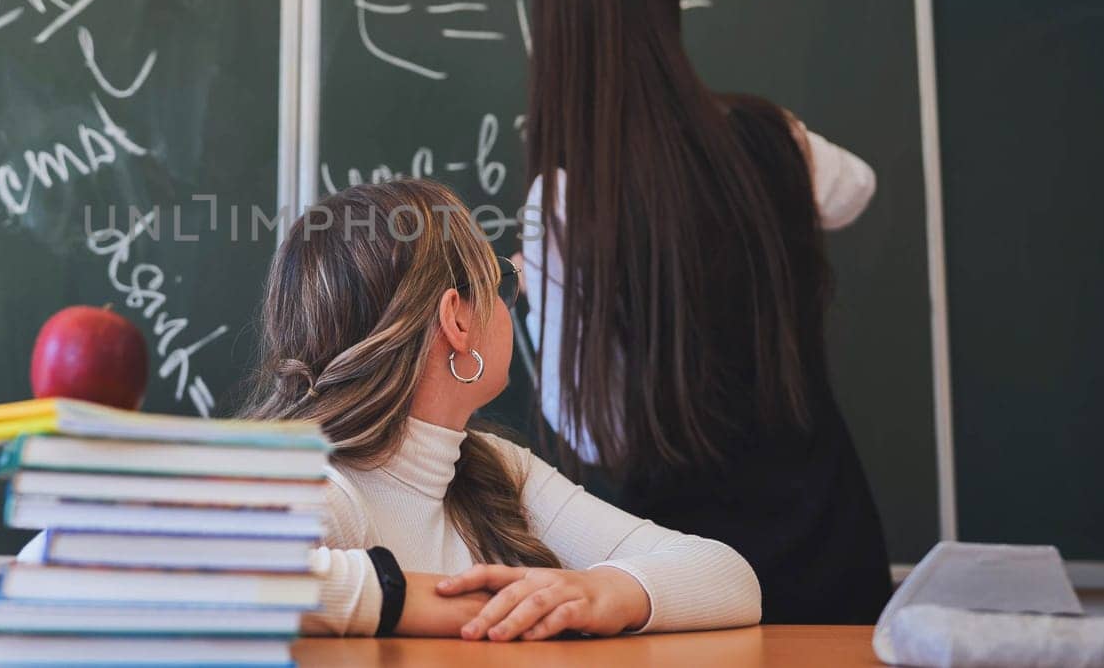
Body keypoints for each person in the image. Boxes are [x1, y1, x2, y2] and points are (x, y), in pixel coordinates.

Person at [520, 0, 891, 624]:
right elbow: (859, 188)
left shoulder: (567, 199)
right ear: (667, 15)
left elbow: (594, 431)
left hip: (687, 574)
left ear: (555, 38)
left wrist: (540, 299)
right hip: (830, 538)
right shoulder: (771, 136)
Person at [240, 178, 760, 639]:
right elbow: (200, 577)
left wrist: (607, 592)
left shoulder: (493, 466)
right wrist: (403, 598)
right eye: (498, 283)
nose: (511, 304)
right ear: (457, 322)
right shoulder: (328, 490)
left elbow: (728, 576)